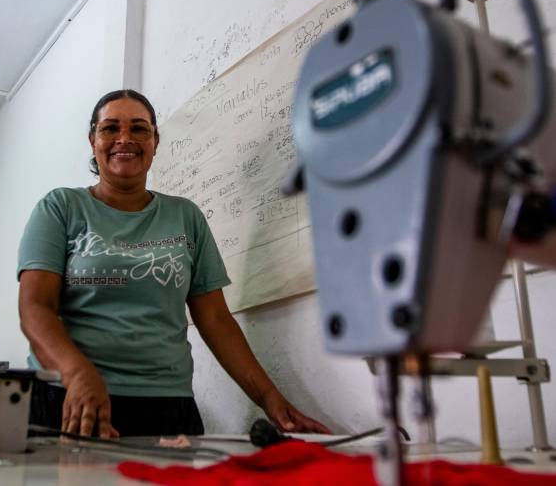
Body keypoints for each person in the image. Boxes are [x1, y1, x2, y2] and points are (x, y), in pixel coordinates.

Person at [18, 89, 330, 439]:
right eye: (110, 128)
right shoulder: (60, 207)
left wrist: (270, 398)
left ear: (155, 141)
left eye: (139, 129)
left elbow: (215, 320)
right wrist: (76, 374)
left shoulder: (185, 216)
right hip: (72, 400)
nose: (125, 139)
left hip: (166, 405)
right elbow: (35, 308)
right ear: (93, 139)